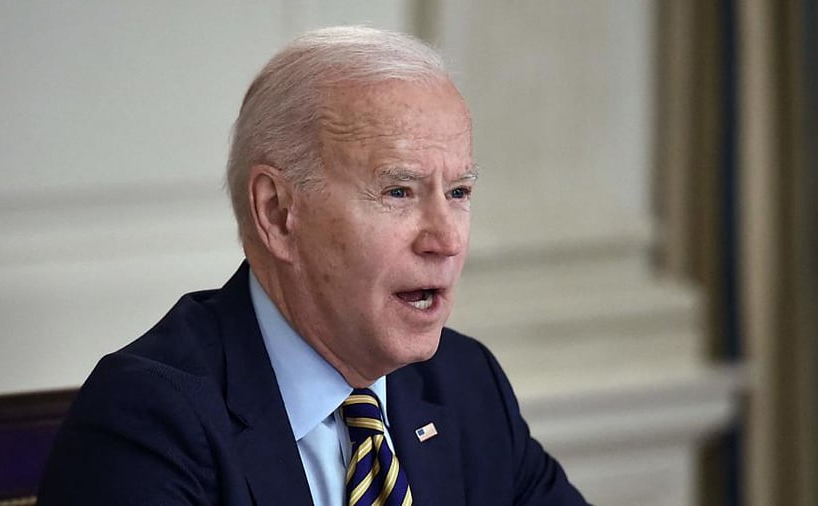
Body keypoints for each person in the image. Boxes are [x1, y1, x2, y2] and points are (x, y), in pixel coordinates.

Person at [38, 26, 590, 506]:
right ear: (278, 213)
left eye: (460, 191)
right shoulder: (151, 421)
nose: (445, 239)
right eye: (398, 191)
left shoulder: (465, 384)